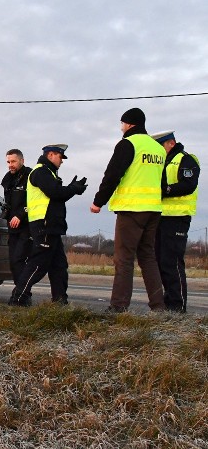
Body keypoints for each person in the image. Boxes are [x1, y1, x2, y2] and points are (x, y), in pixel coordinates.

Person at [90, 108, 165, 313]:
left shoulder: (128, 143)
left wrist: (98, 201)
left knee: (124, 258)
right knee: (148, 257)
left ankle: (118, 306)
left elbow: (113, 174)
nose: (121, 128)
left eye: (122, 124)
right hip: (154, 209)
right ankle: (159, 306)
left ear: (129, 124)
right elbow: (162, 181)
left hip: (132, 209)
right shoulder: (157, 148)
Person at [9, 144, 86, 306]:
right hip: (44, 225)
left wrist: (72, 189)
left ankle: (59, 302)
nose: (62, 161)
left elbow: (57, 196)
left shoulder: (48, 173)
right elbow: (55, 193)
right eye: (60, 157)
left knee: (59, 266)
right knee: (38, 264)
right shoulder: (41, 172)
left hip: (52, 226)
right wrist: (73, 189)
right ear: (51, 155)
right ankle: (18, 298)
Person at [151, 130, 200, 312]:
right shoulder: (163, 161)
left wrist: (165, 190)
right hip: (161, 217)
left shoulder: (186, 159)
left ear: (170, 143)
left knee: (172, 262)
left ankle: (177, 307)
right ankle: (168, 302)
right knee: (160, 261)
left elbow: (188, 184)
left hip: (178, 218)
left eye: (160, 146)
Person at [1, 149, 33, 287]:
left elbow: (33, 200)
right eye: (8, 162)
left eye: (13, 161)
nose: (10, 164)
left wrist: (20, 215)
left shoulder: (31, 176)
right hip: (12, 226)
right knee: (14, 261)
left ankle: (23, 293)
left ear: (22, 160)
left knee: (20, 259)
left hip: (27, 226)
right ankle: (20, 292)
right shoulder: (8, 179)